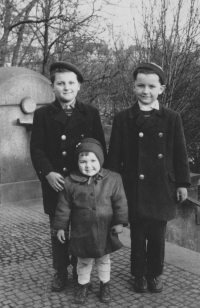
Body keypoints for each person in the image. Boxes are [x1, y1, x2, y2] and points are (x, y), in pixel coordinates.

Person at [108, 62, 191, 293]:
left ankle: (154, 274)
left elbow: (179, 153)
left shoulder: (171, 117)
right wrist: (112, 188)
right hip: (133, 186)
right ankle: (139, 275)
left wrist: (183, 183)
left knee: (157, 236)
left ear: (161, 89)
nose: (146, 91)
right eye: (140, 85)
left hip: (162, 187)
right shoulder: (123, 118)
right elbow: (114, 158)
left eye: (151, 86)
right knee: (137, 234)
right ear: (134, 87)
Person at [30, 61, 107, 292]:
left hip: (82, 183)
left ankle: (80, 270)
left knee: (83, 227)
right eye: (60, 83)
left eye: (71, 83)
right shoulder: (43, 114)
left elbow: (100, 147)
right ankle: (61, 271)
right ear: (52, 87)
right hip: (56, 183)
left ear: (79, 86)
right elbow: (37, 149)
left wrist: (96, 178)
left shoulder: (90, 113)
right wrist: (48, 173)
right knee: (58, 229)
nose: (66, 87)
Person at [53, 138, 128, 304]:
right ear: (77, 162)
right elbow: (63, 208)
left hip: (105, 229)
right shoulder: (69, 182)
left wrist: (119, 222)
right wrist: (60, 227)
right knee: (83, 260)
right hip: (82, 231)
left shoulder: (113, 179)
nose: (88, 165)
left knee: (104, 259)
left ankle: (105, 284)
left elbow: (120, 202)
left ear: (100, 160)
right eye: (83, 161)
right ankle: (83, 285)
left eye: (93, 160)